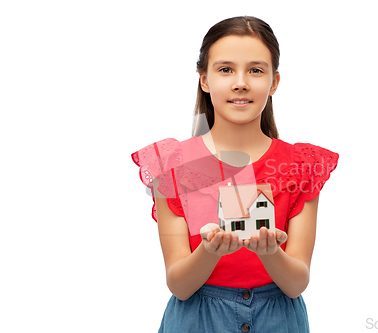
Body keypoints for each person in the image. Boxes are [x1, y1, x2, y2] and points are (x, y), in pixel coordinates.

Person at [131, 16, 339, 333]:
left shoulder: (301, 166)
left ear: (274, 82)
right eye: (225, 69)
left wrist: (270, 254)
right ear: (204, 79)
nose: (240, 82)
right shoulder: (171, 165)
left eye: (255, 70)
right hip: (196, 320)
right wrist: (209, 251)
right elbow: (179, 285)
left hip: (278, 320)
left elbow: (296, 283)